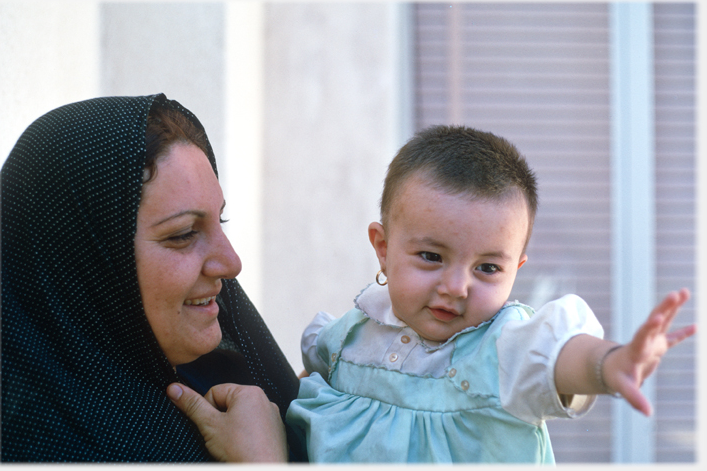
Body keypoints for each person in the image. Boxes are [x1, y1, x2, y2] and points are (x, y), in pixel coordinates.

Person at [285, 125, 696, 463]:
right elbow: (307, 395)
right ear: (383, 248)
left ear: (515, 270)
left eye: (487, 268)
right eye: (431, 256)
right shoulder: (347, 338)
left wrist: (610, 362)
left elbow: (561, 358)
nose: (456, 287)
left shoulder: (503, 347)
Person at [0, 94, 303, 462]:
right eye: (183, 234)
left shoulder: (222, 378)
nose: (231, 262)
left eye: (219, 221)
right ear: (86, 264)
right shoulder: (38, 449)